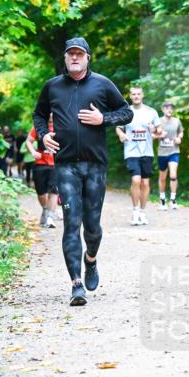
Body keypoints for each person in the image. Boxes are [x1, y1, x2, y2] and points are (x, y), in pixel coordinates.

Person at [33, 37, 133, 306]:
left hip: (95, 165)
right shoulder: (52, 86)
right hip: (65, 165)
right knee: (71, 223)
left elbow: (126, 113)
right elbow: (39, 115)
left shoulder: (102, 84)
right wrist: (43, 136)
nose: (74, 58)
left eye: (79, 54)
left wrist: (104, 119)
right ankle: (76, 284)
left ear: (88, 57)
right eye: (70, 54)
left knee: (92, 226)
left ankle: (91, 259)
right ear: (65, 59)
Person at [116, 85, 161, 225]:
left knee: (145, 182)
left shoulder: (151, 112)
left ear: (142, 95)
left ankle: (142, 211)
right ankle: (135, 211)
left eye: (138, 94)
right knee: (136, 180)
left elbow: (159, 131)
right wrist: (121, 134)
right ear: (130, 96)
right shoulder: (126, 111)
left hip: (146, 152)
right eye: (133, 94)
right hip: (131, 151)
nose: (136, 96)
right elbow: (118, 127)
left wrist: (155, 129)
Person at [27, 114, 58, 228]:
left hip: (56, 164)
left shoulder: (61, 126)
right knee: (41, 193)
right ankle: (45, 209)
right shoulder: (39, 127)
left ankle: (50, 217)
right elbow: (29, 141)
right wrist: (33, 152)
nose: (50, 114)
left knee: (54, 191)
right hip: (40, 163)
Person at [157, 101, 184, 210]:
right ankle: (162, 199)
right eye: (167, 108)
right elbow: (152, 133)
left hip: (174, 151)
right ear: (163, 109)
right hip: (162, 152)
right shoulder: (158, 121)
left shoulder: (177, 121)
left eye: (171, 108)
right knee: (162, 177)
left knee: (173, 175)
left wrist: (179, 138)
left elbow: (181, 132)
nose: (170, 110)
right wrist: (159, 134)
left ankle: (173, 199)